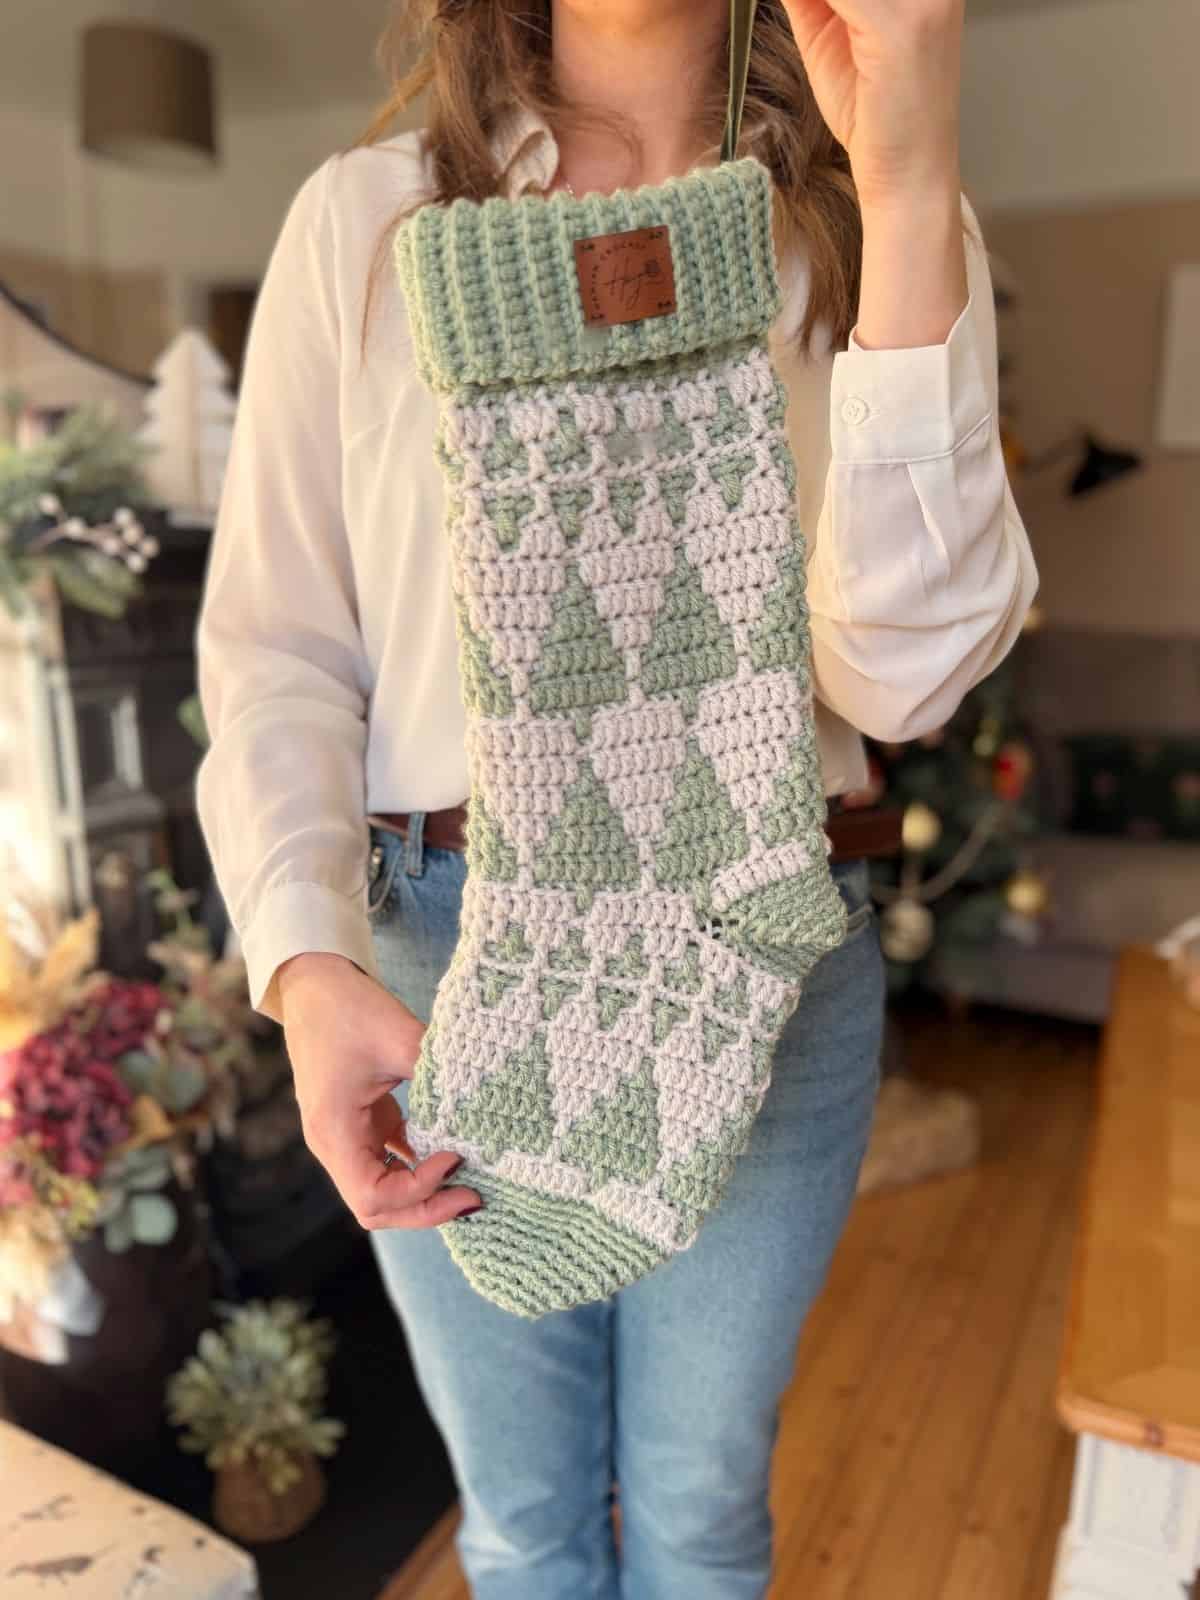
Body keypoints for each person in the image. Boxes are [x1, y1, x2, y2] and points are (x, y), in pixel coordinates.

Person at [195, 0, 1037, 1593]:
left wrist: (912, 181)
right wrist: (306, 970)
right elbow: (279, 655)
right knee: (516, 1521)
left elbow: (906, 685)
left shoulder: (873, 211)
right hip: (444, 965)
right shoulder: (369, 226)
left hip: (767, 927)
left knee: (704, 1507)